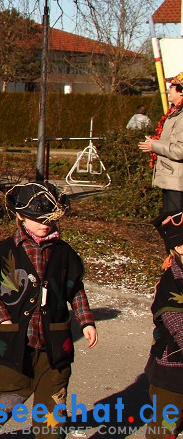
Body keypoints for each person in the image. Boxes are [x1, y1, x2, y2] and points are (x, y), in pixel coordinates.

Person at [0, 181, 98, 437]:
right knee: (10, 390)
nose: (44, 223)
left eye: (49, 219)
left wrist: (86, 321)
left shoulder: (65, 254)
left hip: (55, 340)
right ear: (20, 216)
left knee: (54, 396)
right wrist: (2, 318)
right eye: (37, 218)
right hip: (16, 338)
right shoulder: (6, 251)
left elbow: (75, 289)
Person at [144, 211, 183, 439]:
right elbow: (177, 323)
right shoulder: (172, 282)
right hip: (173, 373)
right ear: (177, 248)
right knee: (164, 430)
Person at [140, 73, 183, 212]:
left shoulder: (182, 116)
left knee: (175, 227)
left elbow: (179, 150)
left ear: (181, 91)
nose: (168, 89)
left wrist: (154, 145)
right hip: (173, 179)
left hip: (177, 182)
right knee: (171, 225)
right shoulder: (175, 113)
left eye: (172, 86)